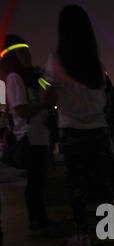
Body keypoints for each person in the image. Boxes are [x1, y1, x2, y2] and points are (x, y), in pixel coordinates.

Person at [45, 5, 110, 246]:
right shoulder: (95, 62)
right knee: (101, 183)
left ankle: (83, 236)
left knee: (77, 186)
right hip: (98, 129)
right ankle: (108, 229)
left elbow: (49, 98)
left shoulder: (57, 59)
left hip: (72, 130)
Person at [0, 34, 54, 231]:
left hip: (40, 136)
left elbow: (52, 94)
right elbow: (20, 109)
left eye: (27, 50)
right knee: (35, 183)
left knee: (39, 181)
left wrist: (44, 82)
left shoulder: (33, 78)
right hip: (29, 137)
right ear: (13, 56)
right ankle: (36, 220)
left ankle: (41, 219)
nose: (27, 55)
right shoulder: (14, 78)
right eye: (22, 51)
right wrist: (43, 104)